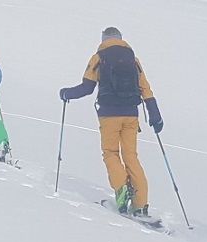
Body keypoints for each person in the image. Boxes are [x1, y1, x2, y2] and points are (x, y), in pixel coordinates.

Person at [59, 27, 163, 217]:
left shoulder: (98, 57)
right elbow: (146, 89)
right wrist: (155, 115)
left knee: (111, 153)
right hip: (131, 115)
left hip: (109, 115)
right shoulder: (133, 59)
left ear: (104, 39)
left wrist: (66, 93)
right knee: (131, 156)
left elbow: (87, 88)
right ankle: (140, 204)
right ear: (121, 39)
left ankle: (121, 189)